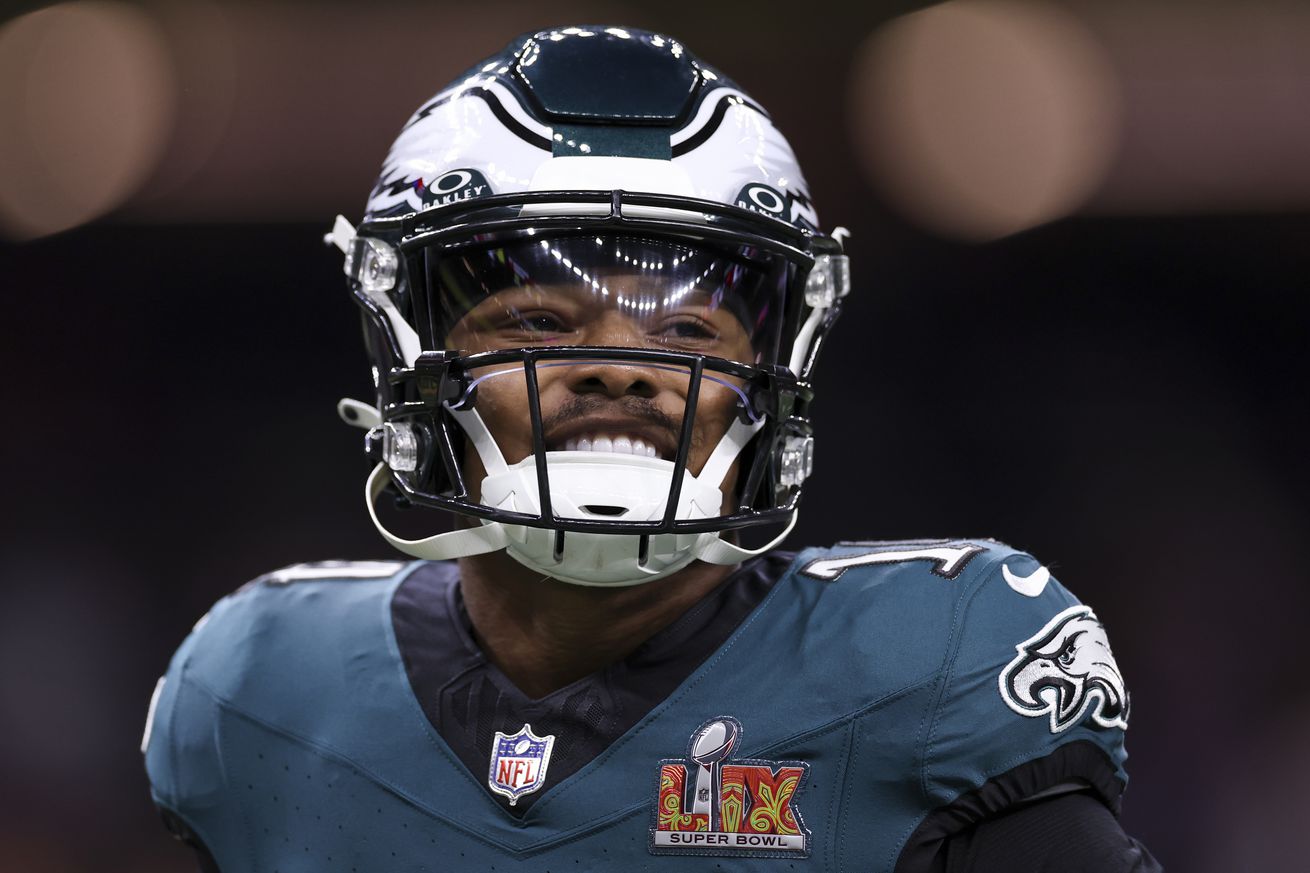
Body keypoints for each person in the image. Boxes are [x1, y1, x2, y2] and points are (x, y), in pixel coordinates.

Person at [142, 25, 1161, 872]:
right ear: (408, 349)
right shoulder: (259, 689)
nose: (622, 370)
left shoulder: (933, 665)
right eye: (539, 322)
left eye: (685, 336)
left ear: (776, 372)